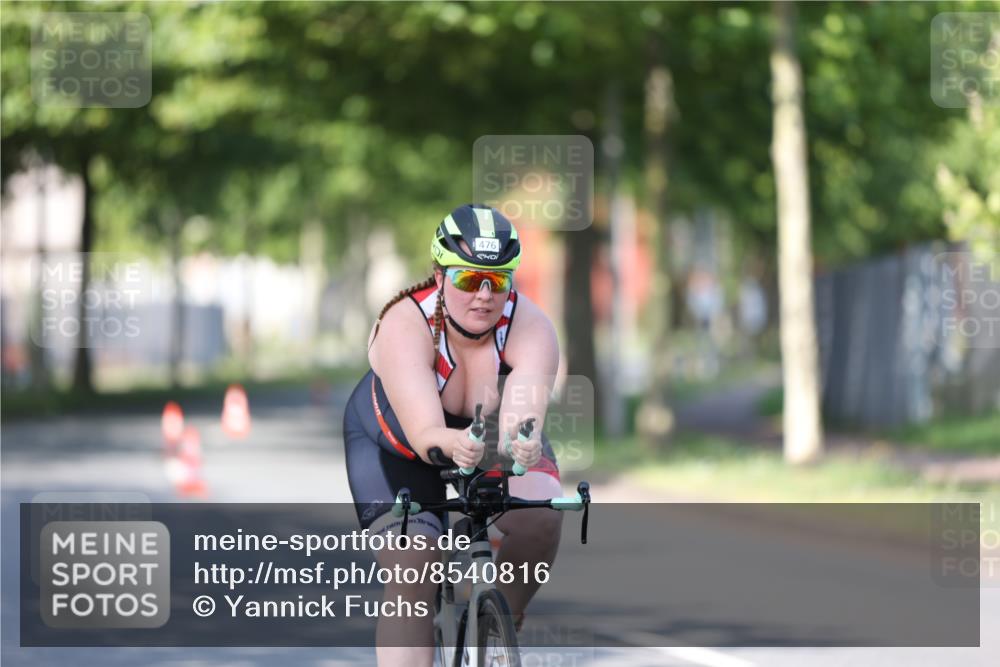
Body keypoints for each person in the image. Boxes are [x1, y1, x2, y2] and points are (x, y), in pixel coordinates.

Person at [342, 204, 563, 666]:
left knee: (542, 519)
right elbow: (426, 433)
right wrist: (455, 444)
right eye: (468, 278)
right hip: (398, 445)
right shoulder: (405, 324)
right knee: (414, 567)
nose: (484, 295)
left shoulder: (530, 326)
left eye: (497, 281)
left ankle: (499, 628)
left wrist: (521, 441)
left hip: (484, 434)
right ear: (440, 276)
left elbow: (521, 415)